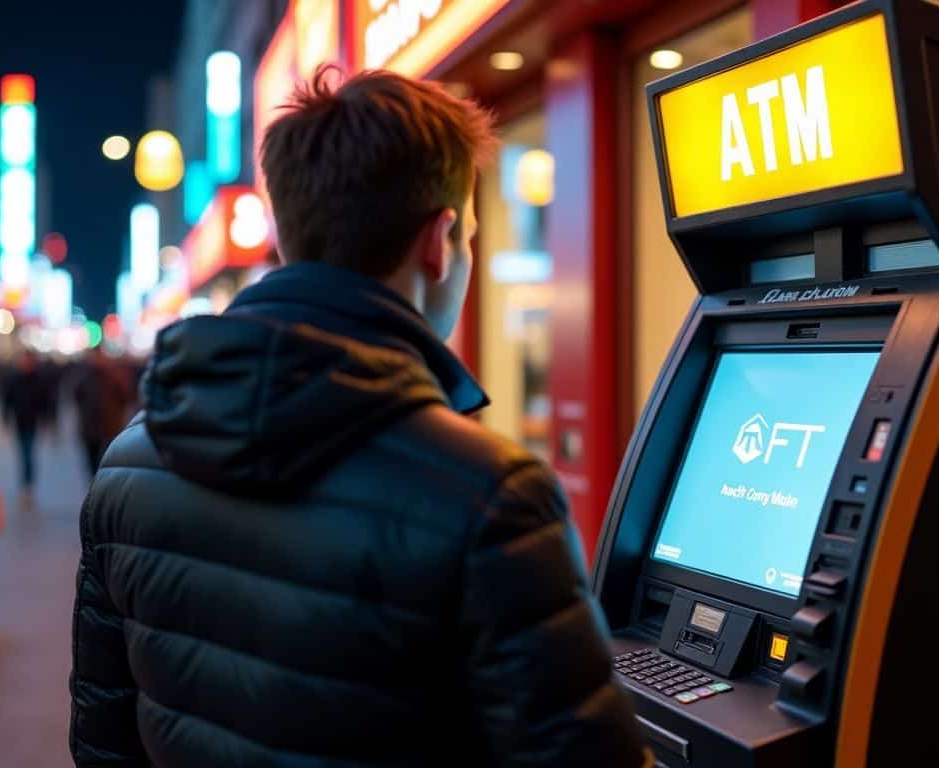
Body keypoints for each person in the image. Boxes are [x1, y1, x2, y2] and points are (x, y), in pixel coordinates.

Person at [69, 69, 647, 767]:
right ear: (440, 242)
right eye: (468, 234)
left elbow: (103, 742)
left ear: (285, 234)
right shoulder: (488, 495)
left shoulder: (131, 463)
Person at [73, 347, 132, 476]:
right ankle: (95, 488)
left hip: (110, 428)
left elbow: (125, 397)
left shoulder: (115, 375)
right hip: (90, 428)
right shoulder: (83, 376)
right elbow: (76, 397)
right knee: (92, 463)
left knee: (108, 463)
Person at [1, 350, 48, 496]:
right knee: (23, 452)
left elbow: (44, 401)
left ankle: (28, 483)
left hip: (32, 422)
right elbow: (7, 400)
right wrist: (6, 418)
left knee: (28, 452)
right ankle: (26, 482)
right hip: (19, 421)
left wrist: (46, 419)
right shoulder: (13, 379)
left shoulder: (38, 379)